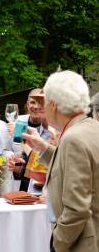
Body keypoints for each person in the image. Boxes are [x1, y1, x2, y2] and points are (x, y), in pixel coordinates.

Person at [22, 70, 99, 252]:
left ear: (54, 105)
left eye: (44, 102)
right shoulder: (90, 128)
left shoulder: (73, 138)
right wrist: (44, 148)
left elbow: (77, 209)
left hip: (82, 244)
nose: (42, 108)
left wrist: (58, 242)